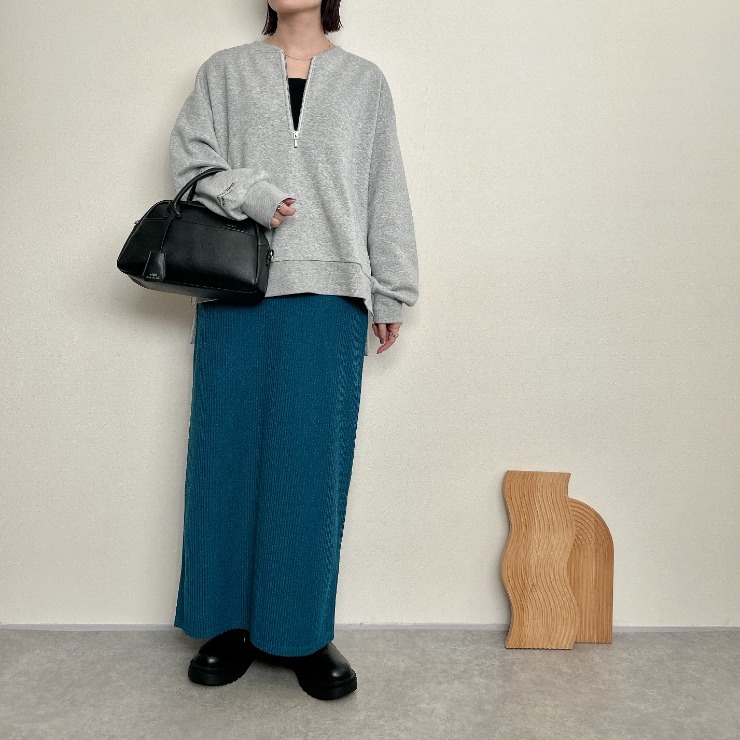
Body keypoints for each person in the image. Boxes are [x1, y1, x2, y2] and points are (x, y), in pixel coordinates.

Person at [168, 0, 419, 701]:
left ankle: (302, 630)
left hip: (332, 290)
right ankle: (227, 624)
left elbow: (385, 187)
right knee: (224, 456)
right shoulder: (224, 72)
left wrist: (393, 290)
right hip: (235, 288)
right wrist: (250, 192)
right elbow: (190, 163)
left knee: (311, 468)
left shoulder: (365, 81)